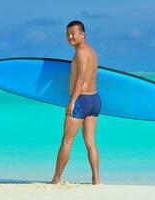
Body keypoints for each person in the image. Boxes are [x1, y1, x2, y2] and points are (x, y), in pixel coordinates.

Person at [51, 20, 101, 185]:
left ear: (83, 34)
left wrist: (72, 102)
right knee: (90, 142)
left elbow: (80, 78)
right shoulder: (92, 51)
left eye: (73, 33)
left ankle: (56, 179)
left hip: (81, 99)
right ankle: (96, 179)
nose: (70, 36)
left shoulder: (80, 51)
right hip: (94, 99)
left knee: (67, 141)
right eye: (68, 33)